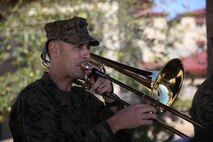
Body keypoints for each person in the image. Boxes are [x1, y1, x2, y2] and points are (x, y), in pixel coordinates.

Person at [9, 16, 157, 142]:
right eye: (79, 47)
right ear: (54, 50)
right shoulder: (32, 99)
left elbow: (123, 139)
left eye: (88, 48)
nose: (87, 54)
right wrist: (114, 124)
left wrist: (111, 101)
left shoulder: (83, 97)